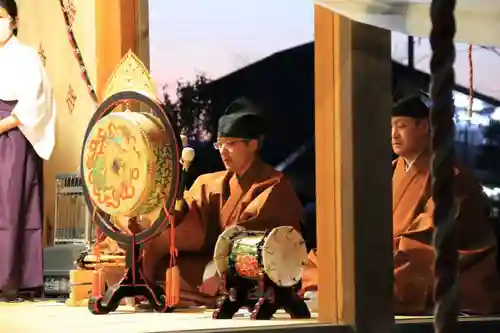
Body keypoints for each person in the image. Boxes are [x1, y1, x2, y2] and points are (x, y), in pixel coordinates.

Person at [301, 94, 500, 315]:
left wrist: (378, 252)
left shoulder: (451, 176)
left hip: (432, 263)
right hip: (388, 253)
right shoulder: (389, 171)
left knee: (398, 270)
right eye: (391, 127)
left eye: (401, 126)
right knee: (325, 256)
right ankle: (337, 288)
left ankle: (342, 291)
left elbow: (428, 237)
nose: (393, 135)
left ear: (424, 126)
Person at [98, 97, 304, 306]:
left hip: (259, 270)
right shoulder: (214, 182)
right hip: (211, 261)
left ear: (252, 145)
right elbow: (186, 213)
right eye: (220, 144)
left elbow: (259, 242)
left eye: (231, 144)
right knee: (155, 258)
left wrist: (217, 271)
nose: (223, 151)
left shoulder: (274, 187)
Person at [0, 0, 56, 302]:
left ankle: (13, 280)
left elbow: (37, 99)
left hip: (13, 134)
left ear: (14, 20)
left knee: (12, 206)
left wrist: (6, 123)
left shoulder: (26, 56)